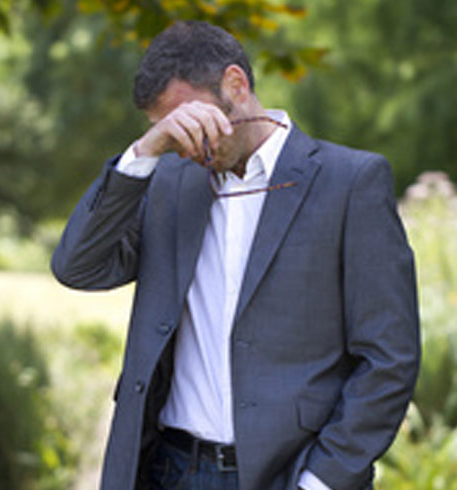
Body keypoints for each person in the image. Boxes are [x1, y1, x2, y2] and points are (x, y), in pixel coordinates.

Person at [51, 20, 420, 490]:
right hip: (167, 469)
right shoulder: (166, 182)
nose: (186, 143)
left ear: (236, 85)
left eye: (191, 119)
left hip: (287, 473)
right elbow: (78, 266)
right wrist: (144, 152)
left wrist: (321, 481)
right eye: (169, 129)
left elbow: (389, 358)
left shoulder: (350, 182)